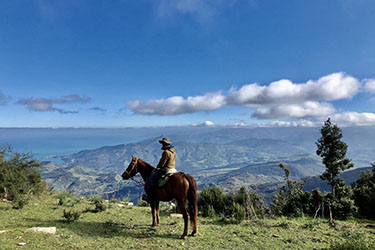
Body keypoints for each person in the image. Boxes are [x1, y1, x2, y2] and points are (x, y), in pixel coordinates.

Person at [143, 137, 176, 203]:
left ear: (165, 144)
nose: (162, 145)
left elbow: (162, 162)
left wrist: (157, 168)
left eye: (163, 144)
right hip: (173, 169)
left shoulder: (166, 152)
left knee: (150, 180)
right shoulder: (173, 151)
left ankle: (150, 197)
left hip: (166, 170)